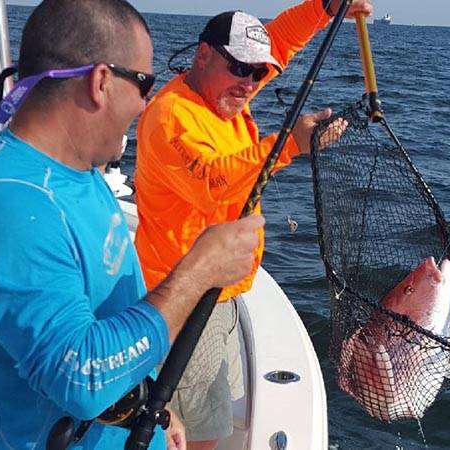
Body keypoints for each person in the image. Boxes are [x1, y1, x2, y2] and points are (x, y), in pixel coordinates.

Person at [0, 1, 265, 449]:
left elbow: (104, 315)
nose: (148, 101)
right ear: (101, 81)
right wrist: (199, 271)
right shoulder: (9, 206)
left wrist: (150, 407)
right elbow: (83, 376)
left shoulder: (80, 173)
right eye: (144, 83)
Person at [134, 0, 373, 448]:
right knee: (204, 434)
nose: (248, 83)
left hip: (220, 290)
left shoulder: (222, 93)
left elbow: (279, 41)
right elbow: (212, 182)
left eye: (257, 73)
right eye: (239, 67)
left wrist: (325, 7)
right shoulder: (172, 116)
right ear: (202, 55)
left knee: (212, 421)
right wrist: (289, 145)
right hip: (185, 298)